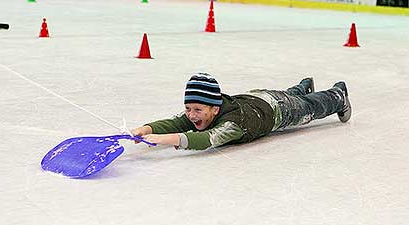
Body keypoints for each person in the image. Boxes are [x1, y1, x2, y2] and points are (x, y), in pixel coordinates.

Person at [131, 73, 351, 150]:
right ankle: (301, 87)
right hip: (257, 98)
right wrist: (145, 128)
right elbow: (175, 122)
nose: (191, 115)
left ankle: (338, 94)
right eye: (188, 108)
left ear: (214, 109)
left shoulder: (232, 125)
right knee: (292, 96)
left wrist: (163, 139)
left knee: (309, 108)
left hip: (278, 110)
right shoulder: (203, 111)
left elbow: (207, 139)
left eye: (197, 109)